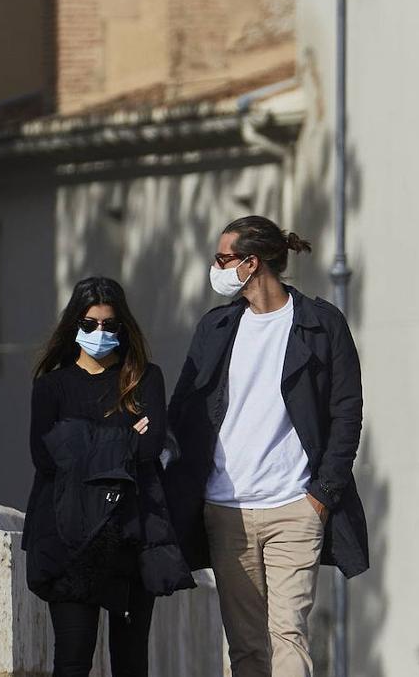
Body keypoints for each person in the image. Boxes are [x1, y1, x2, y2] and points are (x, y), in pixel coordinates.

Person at [164, 215, 369, 677]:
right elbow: (184, 409)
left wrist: (322, 495)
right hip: (226, 510)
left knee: (288, 636)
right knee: (246, 647)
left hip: (296, 507)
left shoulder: (321, 324)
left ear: (251, 263)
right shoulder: (215, 328)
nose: (215, 268)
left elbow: (346, 412)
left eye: (222, 259)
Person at [23, 276, 194, 677]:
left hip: (130, 537)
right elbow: (45, 455)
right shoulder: (52, 387)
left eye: (109, 324)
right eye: (89, 324)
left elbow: (150, 449)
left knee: (131, 663)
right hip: (68, 538)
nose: (100, 332)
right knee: (72, 660)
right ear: (74, 327)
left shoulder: (144, 378)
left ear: (122, 327)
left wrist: (80, 441)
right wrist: (123, 440)